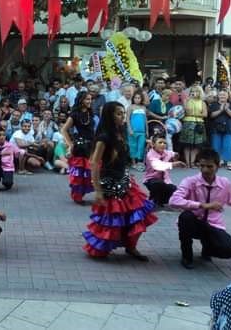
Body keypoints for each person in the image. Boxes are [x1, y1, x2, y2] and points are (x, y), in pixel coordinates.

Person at [82, 101, 157, 260]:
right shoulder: (104, 137)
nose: (122, 117)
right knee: (110, 220)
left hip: (124, 180)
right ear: (110, 116)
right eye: (119, 113)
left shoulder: (120, 132)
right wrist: (97, 190)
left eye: (123, 113)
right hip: (109, 183)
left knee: (138, 213)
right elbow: (94, 163)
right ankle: (101, 248)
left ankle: (131, 246)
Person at [169, 148, 231, 269]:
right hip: (194, 222)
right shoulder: (190, 181)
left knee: (228, 250)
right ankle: (187, 256)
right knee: (185, 217)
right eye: (202, 166)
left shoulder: (225, 183)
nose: (205, 170)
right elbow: (173, 201)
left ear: (218, 166)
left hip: (214, 224)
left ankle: (208, 248)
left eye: (210, 166)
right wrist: (202, 205)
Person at [61, 91, 96, 204]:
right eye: (87, 99)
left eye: (90, 99)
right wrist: (70, 144)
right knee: (80, 172)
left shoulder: (91, 113)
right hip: (80, 146)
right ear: (81, 101)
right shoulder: (74, 114)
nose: (89, 101)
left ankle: (84, 192)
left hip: (91, 145)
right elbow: (64, 130)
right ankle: (77, 195)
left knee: (90, 171)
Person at [144, 135, 185, 207]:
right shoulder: (150, 155)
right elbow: (158, 166)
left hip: (165, 180)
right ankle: (153, 200)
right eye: (160, 142)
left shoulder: (166, 152)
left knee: (174, 190)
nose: (163, 144)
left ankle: (161, 200)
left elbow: (173, 153)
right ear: (153, 144)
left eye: (164, 143)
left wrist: (176, 155)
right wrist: (175, 164)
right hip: (151, 179)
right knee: (158, 183)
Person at [0, 127, 23, 191]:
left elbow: (20, 153)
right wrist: (0, 154)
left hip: (8, 168)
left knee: (8, 184)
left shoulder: (11, 145)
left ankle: (6, 180)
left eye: (3, 135)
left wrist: (18, 165)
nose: (2, 137)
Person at [180, 85, 208, 168]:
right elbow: (185, 111)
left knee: (196, 145)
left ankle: (192, 162)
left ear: (200, 93)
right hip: (188, 123)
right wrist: (187, 101)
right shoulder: (187, 101)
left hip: (199, 124)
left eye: (196, 91)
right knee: (187, 144)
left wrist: (193, 114)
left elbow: (205, 114)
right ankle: (187, 163)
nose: (193, 93)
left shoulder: (202, 102)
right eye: (192, 91)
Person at [209, 90, 231, 170]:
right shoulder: (214, 104)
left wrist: (226, 109)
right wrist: (220, 110)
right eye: (221, 95)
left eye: (224, 95)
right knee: (216, 145)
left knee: (228, 145)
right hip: (216, 128)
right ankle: (218, 161)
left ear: (227, 96)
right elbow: (211, 115)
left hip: (228, 128)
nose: (222, 96)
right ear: (218, 96)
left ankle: (229, 162)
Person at [127, 89, 147, 171]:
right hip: (133, 131)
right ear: (133, 98)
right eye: (135, 98)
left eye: (139, 98)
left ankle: (139, 163)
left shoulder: (143, 107)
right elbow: (127, 119)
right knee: (133, 146)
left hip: (142, 131)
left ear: (141, 99)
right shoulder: (130, 107)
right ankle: (133, 163)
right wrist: (130, 129)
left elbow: (145, 120)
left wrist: (147, 130)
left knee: (141, 147)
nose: (137, 99)